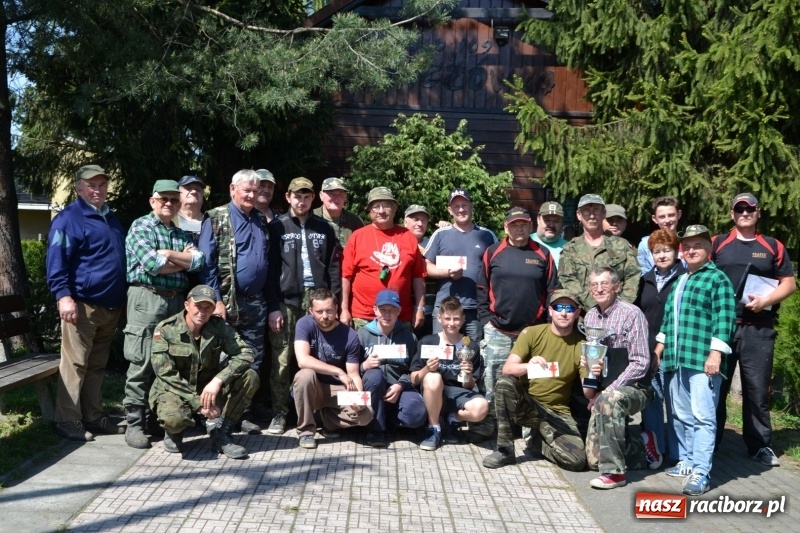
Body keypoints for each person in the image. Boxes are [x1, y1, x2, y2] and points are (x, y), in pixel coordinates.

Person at [711, 193, 796, 466]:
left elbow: (789, 283)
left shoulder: (772, 246)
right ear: (732, 213)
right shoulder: (717, 243)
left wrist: (767, 301)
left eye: (750, 209)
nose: (745, 213)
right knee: (715, 388)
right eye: (740, 209)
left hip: (759, 330)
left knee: (757, 391)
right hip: (722, 327)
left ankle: (759, 445)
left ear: (758, 212)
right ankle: (710, 442)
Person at [46, 164, 127, 441]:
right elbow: (57, 261)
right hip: (82, 305)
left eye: (102, 184)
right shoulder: (70, 218)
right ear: (79, 187)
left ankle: (93, 416)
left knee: (96, 365)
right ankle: (68, 420)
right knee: (76, 363)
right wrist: (63, 296)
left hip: (110, 306)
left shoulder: (110, 217)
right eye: (92, 185)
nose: (98, 189)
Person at [123, 179, 205, 449]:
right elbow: (152, 265)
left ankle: (162, 419)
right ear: (152, 201)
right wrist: (181, 261)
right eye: (163, 199)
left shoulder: (181, 233)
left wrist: (170, 254)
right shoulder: (140, 227)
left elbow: (199, 262)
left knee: (173, 361)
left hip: (176, 302)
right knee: (143, 359)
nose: (169, 203)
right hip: (147, 298)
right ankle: (135, 423)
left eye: (174, 199)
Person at [654, 225, 736, 495]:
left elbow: (725, 320)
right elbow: (668, 320)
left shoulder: (717, 279)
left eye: (697, 245)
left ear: (709, 250)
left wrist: (716, 354)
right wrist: (658, 350)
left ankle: (701, 472)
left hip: (703, 361)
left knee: (703, 418)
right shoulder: (680, 280)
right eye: (686, 246)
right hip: (677, 359)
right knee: (680, 415)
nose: (690, 250)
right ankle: (687, 461)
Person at [198, 169, 276, 433]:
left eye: (256, 191)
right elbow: (207, 264)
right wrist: (216, 301)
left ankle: (240, 414)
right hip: (226, 304)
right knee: (222, 357)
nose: (253, 195)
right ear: (233, 189)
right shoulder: (216, 217)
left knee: (252, 359)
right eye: (247, 190)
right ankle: (214, 416)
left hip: (256, 304)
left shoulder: (260, 220)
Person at [265, 177, 341, 436]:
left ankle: (313, 412)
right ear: (288, 197)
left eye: (307, 196)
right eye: (297, 196)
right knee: (283, 358)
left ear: (313, 198)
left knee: (317, 356)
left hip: (318, 300)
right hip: (287, 301)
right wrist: (273, 306)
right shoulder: (276, 227)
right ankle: (279, 412)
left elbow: (333, 267)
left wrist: (336, 301)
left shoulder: (325, 228)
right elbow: (270, 269)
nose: (302, 200)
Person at [149, 285, 260, 459]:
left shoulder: (218, 327)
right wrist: (198, 404)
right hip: (175, 389)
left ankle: (222, 432)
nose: (202, 311)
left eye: (208, 307)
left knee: (250, 376)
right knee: (174, 419)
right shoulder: (165, 330)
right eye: (198, 306)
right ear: (187, 305)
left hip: (207, 386)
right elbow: (166, 374)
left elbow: (246, 353)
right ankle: (174, 432)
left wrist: (218, 381)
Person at [482, 290, 587, 471]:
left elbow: (588, 392)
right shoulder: (531, 333)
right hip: (528, 405)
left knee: (576, 461)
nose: (563, 313)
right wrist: (529, 366)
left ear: (577, 313)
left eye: (569, 308)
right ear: (550, 311)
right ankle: (505, 450)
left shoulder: (583, 344)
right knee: (505, 383)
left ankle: (538, 443)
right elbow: (508, 369)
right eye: (558, 307)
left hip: (556, 412)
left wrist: (593, 372)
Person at [583, 267, 661, 489]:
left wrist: (607, 392)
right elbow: (594, 359)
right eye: (594, 285)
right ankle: (642, 444)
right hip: (607, 388)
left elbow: (640, 362)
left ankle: (615, 474)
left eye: (604, 284)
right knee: (593, 460)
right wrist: (593, 383)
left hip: (637, 387)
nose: (599, 289)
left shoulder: (631, 313)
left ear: (617, 287)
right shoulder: (590, 316)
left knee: (609, 402)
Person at [476, 206, 559, 411]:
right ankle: (494, 426)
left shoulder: (543, 253)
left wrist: (548, 328)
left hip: (532, 332)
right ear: (506, 227)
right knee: (494, 381)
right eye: (514, 225)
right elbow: (481, 287)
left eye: (523, 224)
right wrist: (486, 320)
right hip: (498, 330)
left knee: (532, 382)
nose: (519, 228)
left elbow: (552, 291)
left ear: (530, 225)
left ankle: (529, 432)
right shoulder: (493, 252)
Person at [293, 289, 383, 449]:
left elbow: (354, 374)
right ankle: (306, 431)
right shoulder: (304, 324)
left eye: (329, 310)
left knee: (366, 416)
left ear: (336, 308)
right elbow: (302, 360)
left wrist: (358, 397)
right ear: (311, 311)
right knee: (304, 375)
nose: (325, 316)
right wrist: (338, 371)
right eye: (319, 312)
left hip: (339, 390)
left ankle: (328, 418)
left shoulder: (350, 335)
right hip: (315, 387)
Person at [340, 186, 426, 330]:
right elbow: (345, 277)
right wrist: (344, 310)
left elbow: (418, 276)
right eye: (376, 206)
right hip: (363, 317)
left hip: (400, 316)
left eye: (386, 205)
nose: (381, 210)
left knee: (400, 353)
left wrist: (420, 308)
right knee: (363, 353)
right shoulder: (357, 236)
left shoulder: (408, 237)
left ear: (394, 208)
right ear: (369, 210)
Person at [634, 229, 686, 465]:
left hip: (674, 351)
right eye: (657, 251)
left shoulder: (686, 278)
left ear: (676, 252)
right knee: (651, 403)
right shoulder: (644, 280)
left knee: (676, 405)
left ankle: (678, 456)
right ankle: (655, 450)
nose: (662, 255)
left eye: (667, 250)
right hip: (648, 350)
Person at [410, 297, 489, 450]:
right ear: (439, 318)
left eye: (456, 318)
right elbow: (414, 379)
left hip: (458, 394)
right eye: (447, 318)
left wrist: (469, 374)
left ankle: (452, 419)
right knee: (434, 377)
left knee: (482, 408)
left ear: (463, 319)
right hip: (432, 392)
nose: (451, 323)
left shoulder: (470, 346)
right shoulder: (427, 342)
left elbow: (471, 385)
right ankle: (434, 428)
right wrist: (427, 368)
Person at [424, 188, 497, 343]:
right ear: (450, 210)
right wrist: (446, 273)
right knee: (442, 354)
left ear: (472, 207)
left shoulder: (487, 235)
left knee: (473, 353)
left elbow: (497, 268)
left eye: (465, 205)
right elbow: (426, 266)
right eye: (456, 206)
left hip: (476, 308)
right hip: (444, 308)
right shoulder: (440, 234)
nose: (461, 209)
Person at [358, 290, 427, 447]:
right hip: (372, 387)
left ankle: (388, 421)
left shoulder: (409, 337)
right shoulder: (362, 335)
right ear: (375, 310)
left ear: (399, 311)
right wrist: (364, 366)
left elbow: (413, 370)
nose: (387, 315)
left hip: (399, 388)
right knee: (374, 376)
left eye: (392, 310)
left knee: (416, 414)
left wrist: (400, 385)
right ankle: (375, 429)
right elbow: (352, 368)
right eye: (383, 310)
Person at [559, 194, 640, 311]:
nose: (592, 216)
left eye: (596, 210)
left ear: (604, 213)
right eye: (586, 211)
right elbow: (568, 279)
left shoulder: (621, 246)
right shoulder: (570, 249)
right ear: (578, 215)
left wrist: (621, 307)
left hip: (618, 314)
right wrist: (594, 307)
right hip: (583, 315)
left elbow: (633, 275)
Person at [313, 177, 364, 249]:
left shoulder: (354, 222)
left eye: (340, 194)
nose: (336, 198)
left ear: (345, 197)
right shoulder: (311, 217)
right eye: (331, 193)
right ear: (321, 195)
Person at [637, 196, 683, 275]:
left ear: (679, 214)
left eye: (671, 215)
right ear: (654, 219)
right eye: (662, 217)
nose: (667, 220)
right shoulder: (645, 244)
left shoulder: (687, 241)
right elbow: (644, 273)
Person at [531, 201, 568, 269]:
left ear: (562, 223)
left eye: (556, 221)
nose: (551, 225)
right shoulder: (526, 243)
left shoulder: (569, 249)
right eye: (547, 220)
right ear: (538, 219)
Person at [176, 175, 206, 245]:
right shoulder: (169, 221)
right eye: (188, 188)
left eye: (198, 189)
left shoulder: (211, 222)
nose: (194, 192)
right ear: (178, 194)